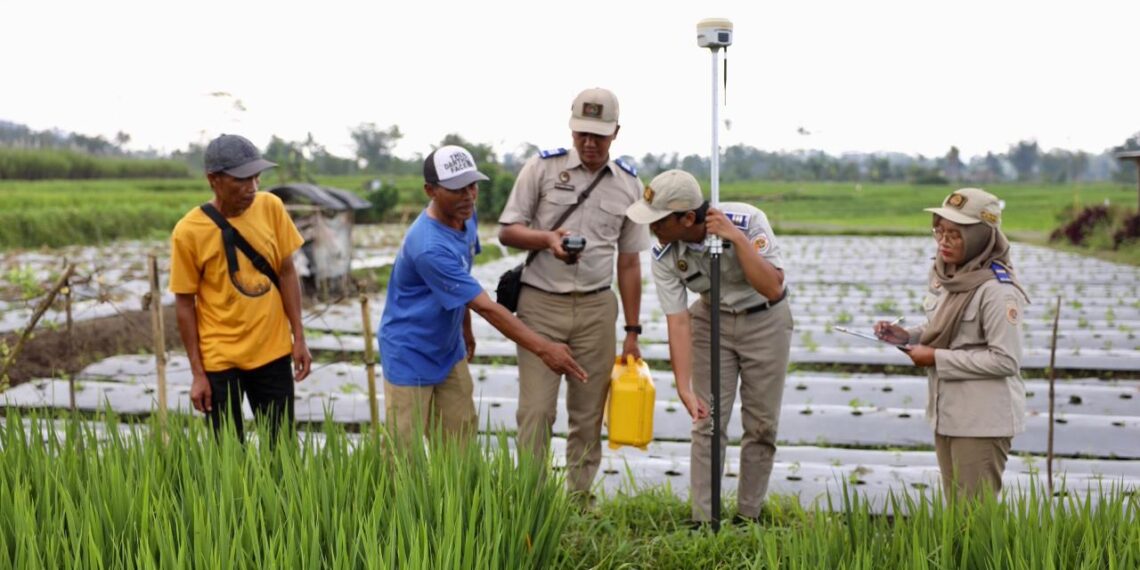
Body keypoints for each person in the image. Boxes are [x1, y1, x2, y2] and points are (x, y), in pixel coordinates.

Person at [498, 87, 650, 499]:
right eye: (582, 132)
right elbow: (507, 231)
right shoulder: (541, 170)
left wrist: (632, 330)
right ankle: (530, 498)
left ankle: (579, 499)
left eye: (598, 135)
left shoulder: (629, 185)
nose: (589, 143)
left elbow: (630, 261)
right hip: (540, 305)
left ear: (615, 133)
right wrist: (547, 239)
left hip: (597, 310)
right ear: (571, 128)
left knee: (587, 414)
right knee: (536, 410)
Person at [379, 145, 586, 447]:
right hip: (410, 352)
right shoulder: (428, 246)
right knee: (403, 452)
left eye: (472, 185)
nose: (468, 196)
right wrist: (544, 349)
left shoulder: (466, 216)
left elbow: (463, 280)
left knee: (460, 441)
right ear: (430, 190)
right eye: (456, 189)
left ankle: (457, 496)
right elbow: (485, 307)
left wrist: (464, 331)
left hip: (448, 349)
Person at [625, 169, 793, 525]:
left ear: (687, 218)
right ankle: (704, 518)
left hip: (764, 319)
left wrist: (735, 239)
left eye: (658, 221)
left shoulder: (746, 221)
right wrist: (684, 387)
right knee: (707, 420)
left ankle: (749, 515)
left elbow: (773, 288)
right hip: (709, 320)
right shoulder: (664, 253)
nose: (652, 228)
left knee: (762, 424)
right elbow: (678, 320)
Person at [874, 188, 1030, 500]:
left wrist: (935, 358)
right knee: (957, 513)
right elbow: (944, 328)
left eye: (955, 234)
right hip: (948, 412)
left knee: (974, 517)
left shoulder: (997, 290)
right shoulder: (950, 276)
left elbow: (1005, 360)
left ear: (979, 237)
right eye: (939, 231)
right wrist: (908, 336)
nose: (943, 241)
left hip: (981, 420)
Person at [170, 133, 312, 441]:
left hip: (272, 352)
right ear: (213, 180)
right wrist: (197, 374)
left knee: (281, 449)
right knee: (228, 456)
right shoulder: (188, 231)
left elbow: (287, 272)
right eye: (242, 180)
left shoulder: (271, 207)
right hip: (219, 358)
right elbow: (184, 304)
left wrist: (298, 336)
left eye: (257, 177)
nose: (252, 188)